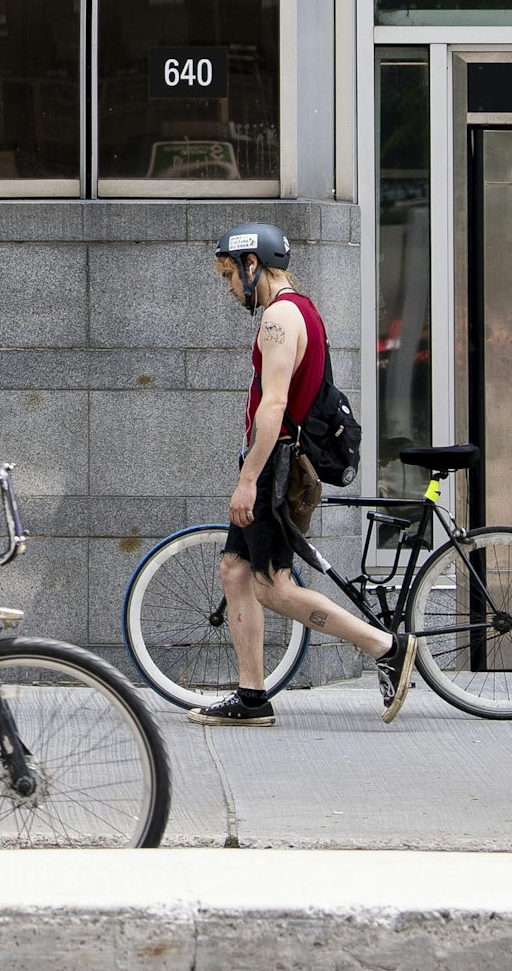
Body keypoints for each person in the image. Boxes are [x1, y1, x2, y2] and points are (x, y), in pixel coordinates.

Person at [188, 223, 420, 728]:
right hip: (276, 460)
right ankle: (252, 697)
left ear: (253, 266)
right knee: (235, 568)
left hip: (274, 464)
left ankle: (387, 647)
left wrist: (248, 478)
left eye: (230, 274)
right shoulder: (303, 310)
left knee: (273, 586)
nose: (229, 288)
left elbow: (274, 407)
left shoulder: (278, 319)